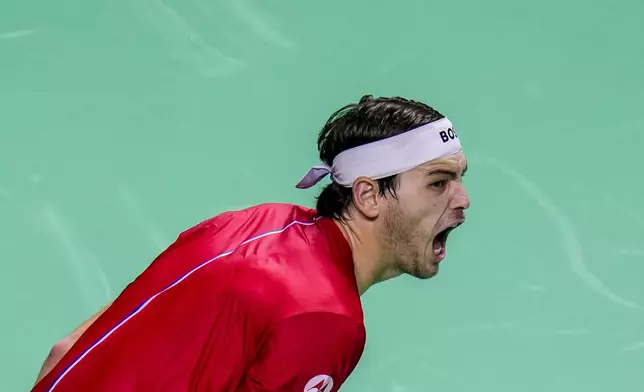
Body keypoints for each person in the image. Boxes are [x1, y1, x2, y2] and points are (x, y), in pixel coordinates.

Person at [31, 95, 470, 392]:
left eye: (458, 180)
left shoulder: (252, 223)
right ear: (369, 195)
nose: (462, 201)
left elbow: (65, 351)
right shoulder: (326, 321)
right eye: (438, 183)